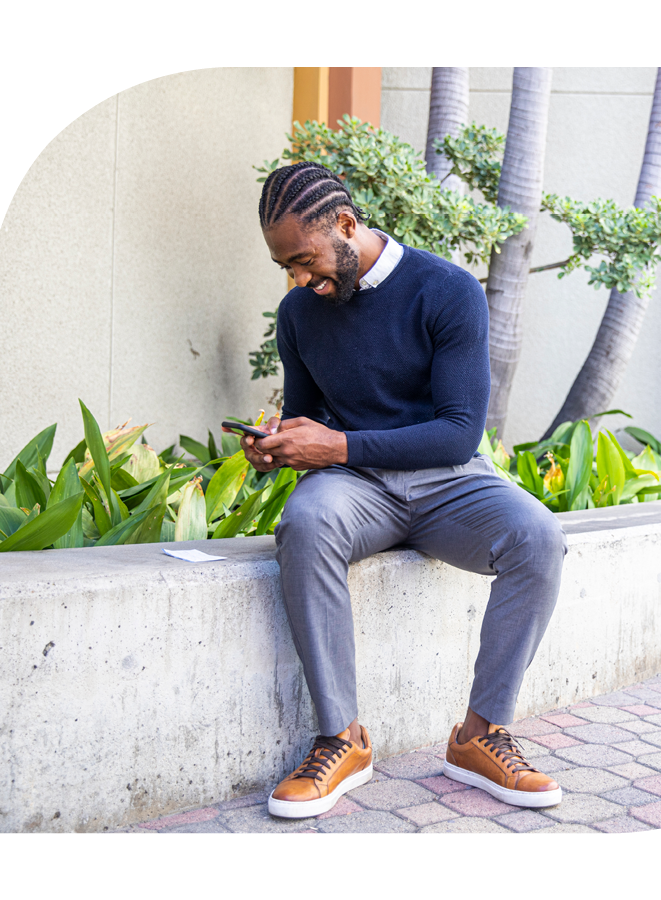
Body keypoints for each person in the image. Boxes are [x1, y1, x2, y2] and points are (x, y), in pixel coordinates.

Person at [236, 161, 567, 819]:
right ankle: (342, 739)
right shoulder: (300, 313)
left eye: (305, 260)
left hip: (450, 483)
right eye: (287, 269)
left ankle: (480, 735)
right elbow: (316, 424)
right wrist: (280, 448)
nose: (300, 279)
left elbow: (456, 434)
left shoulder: (445, 290)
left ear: (347, 226)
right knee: (306, 525)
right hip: (357, 489)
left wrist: (335, 445)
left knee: (538, 536)